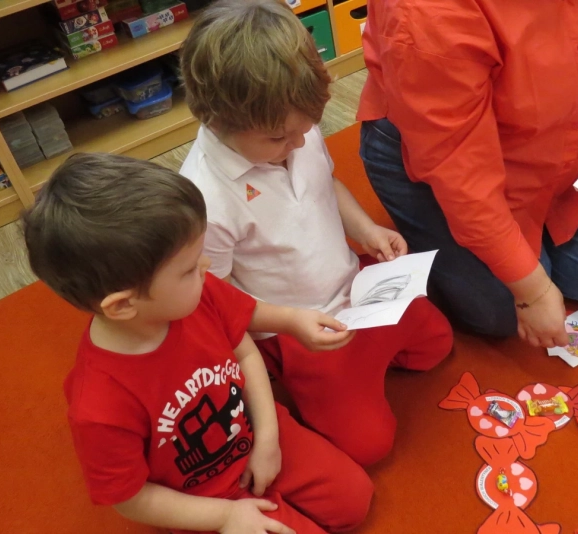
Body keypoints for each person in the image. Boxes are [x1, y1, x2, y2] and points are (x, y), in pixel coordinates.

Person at [21, 154, 374, 534]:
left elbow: (245, 351)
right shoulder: (98, 405)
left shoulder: (193, 295)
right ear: (123, 305)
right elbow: (130, 497)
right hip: (202, 498)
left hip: (258, 432)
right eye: (188, 268)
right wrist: (225, 517)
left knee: (354, 500)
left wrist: (269, 437)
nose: (206, 266)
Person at [178, 0, 453, 468]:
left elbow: (325, 183)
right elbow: (214, 298)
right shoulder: (203, 198)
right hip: (297, 328)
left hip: (356, 288)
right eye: (280, 138)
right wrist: (288, 324)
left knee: (437, 344)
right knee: (367, 447)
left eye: (309, 127)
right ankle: (292, 373)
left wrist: (365, 229)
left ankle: (360, 368)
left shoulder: (292, 130)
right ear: (216, 120)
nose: (300, 142)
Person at [357, 0, 578, 347]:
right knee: (501, 312)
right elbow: (461, 173)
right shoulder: (427, 11)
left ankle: (529, 241)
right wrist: (532, 290)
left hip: (575, 131)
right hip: (442, 149)